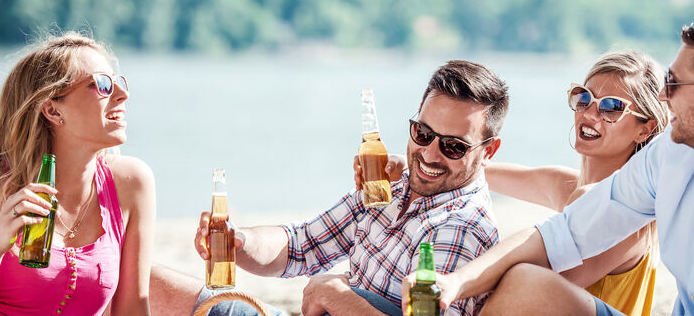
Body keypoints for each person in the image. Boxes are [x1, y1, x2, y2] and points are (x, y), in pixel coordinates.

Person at [403, 18, 694, 315]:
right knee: (525, 281)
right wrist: (455, 282)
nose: (665, 95)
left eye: (672, 83)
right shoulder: (672, 155)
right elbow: (565, 233)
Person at [149, 60, 508, 316]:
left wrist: (338, 297)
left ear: (488, 150)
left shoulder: (460, 228)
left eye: (454, 146)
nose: (429, 154)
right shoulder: (390, 187)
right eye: (423, 133)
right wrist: (241, 241)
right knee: (149, 284)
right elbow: (301, 245)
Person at [374, 51, 669, 315]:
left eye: (612, 108)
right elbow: (476, 169)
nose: (590, 114)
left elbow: (522, 295)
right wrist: (414, 162)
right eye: (584, 97)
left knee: (519, 276)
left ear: (645, 130)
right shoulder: (568, 185)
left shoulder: (624, 216)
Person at [0, 32, 155, 315]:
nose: (122, 94)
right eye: (102, 85)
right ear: (53, 110)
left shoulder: (132, 184)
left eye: (118, 82)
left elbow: (132, 308)